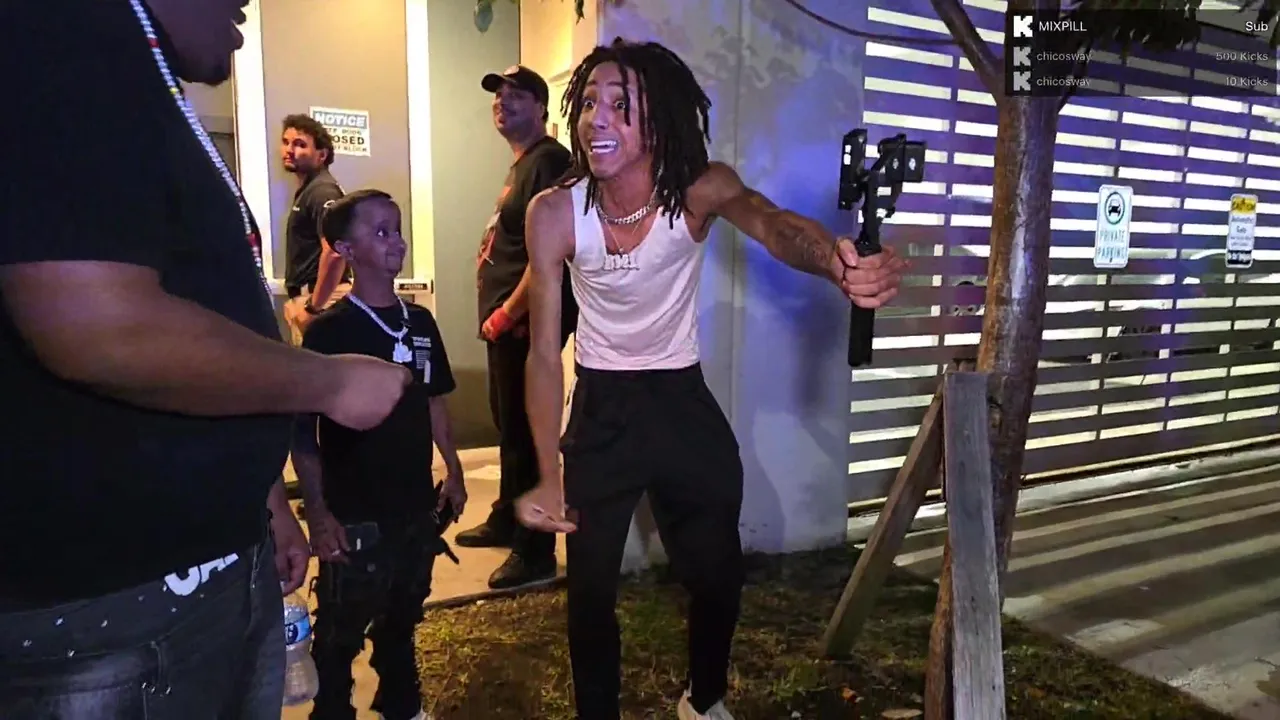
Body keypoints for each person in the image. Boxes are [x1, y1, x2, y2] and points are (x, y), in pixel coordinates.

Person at [0, 2, 410, 717]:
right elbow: (95, 323)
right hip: (114, 610)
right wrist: (329, 381)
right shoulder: (58, 29)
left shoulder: (135, 71)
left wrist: (265, 503)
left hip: (209, 568)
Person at [515, 39, 907, 720]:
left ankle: (703, 700)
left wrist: (835, 262)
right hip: (603, 407)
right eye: (590, 102)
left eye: (621, 105)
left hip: (680, 401)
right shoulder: (554, 213)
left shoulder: (697, 190)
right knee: (589, 594)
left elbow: (773, 224)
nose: (596, 118)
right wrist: (548, 471)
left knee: (719, 574)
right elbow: (545, 353)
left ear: (660, 119)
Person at [292, 189, 466, 720]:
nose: (398, 242)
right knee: (340, 628)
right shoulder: (330, 332)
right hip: (355, 512)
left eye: (398, 229)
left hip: (413, 505)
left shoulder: (421, 323)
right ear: (346, 250)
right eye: (381, 232)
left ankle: (400, 702)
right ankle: (332, 709)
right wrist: (318, 513)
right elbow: (302, 431)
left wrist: (454, 469)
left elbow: (434, 401)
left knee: (402, 614)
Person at [456, 64, 577, 589]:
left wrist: (510, 311)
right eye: (498, 95)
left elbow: (553, 250)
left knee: (528, 434)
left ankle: (535, 550)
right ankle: (508, 516)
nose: (502, 102)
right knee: (509, 427)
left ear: (541, 108)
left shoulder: (550, 161)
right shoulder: (525, 164)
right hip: (508, 324)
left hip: (527, 323)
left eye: (517, 95)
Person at [280, 113, 352, 345]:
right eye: (286, 142)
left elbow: (335, 252)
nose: (289, 150)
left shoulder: (322, 191)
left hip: (321, 300)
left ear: (322, 155)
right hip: (312, 298)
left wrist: (312, 307)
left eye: (300, 145)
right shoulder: (310, 190)